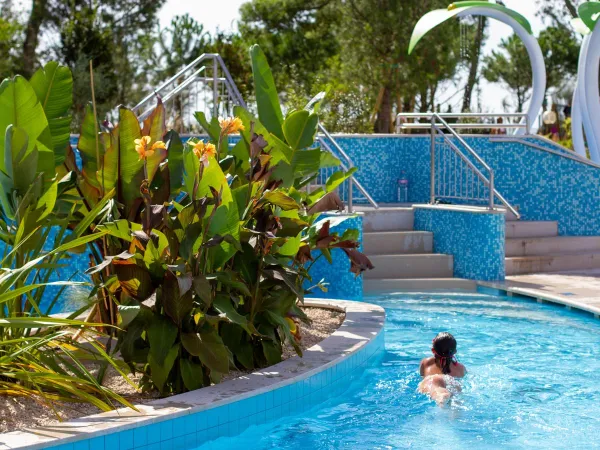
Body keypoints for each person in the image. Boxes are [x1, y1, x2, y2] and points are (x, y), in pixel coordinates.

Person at [418, 332, 466, 406]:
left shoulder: (426, 362)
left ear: (433, 350)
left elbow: (421, 377)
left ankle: (442, 395)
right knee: (455, 401)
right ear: (455, 352)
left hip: (433, 380)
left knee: (437, 391)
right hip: (452, 382)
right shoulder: (461, 368)